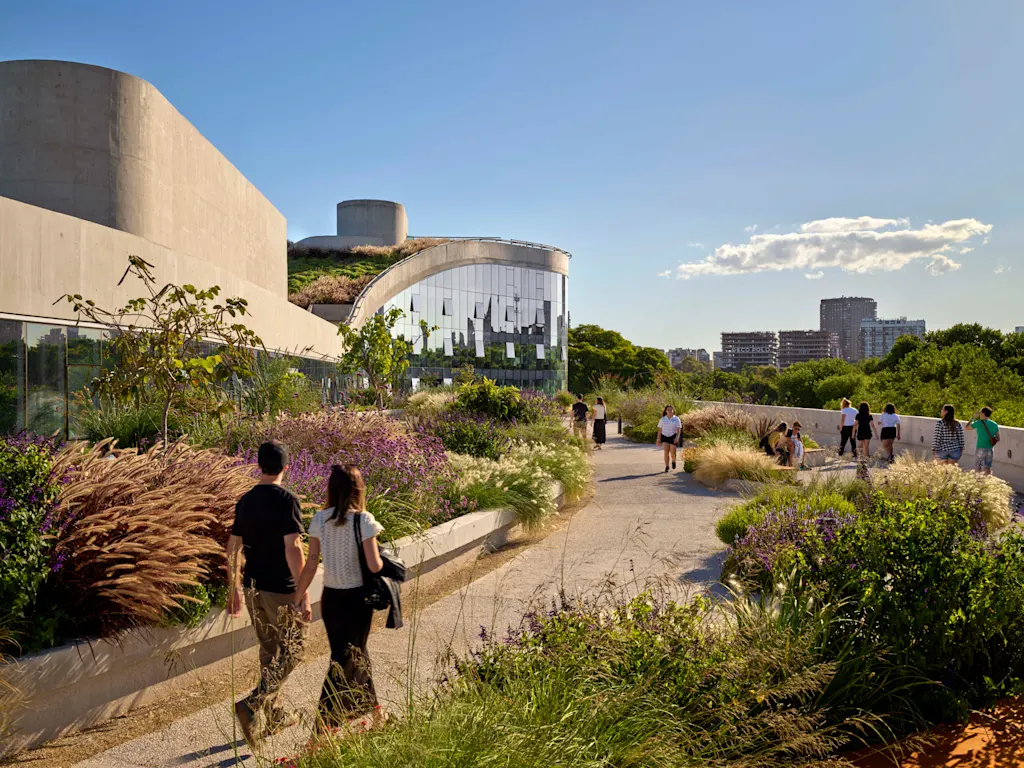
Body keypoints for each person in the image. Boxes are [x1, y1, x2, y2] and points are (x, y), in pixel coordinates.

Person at [227, 441, 309, 746]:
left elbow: (232, 547)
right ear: (286, 467)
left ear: (259, 466)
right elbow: (293, 547)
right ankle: (252, 704)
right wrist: (302, 592)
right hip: (281, 590)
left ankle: (274, 715)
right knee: (294, 650)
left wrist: (234, 588)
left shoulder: (246, 500)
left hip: (253, 589)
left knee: (270, 650)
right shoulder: (288, 500)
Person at [294, 466, 385, 733]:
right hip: (358, 599)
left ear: (331, 490)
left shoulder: (320, 520)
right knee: (347, 657)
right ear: (359, 489)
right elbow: (374, 565)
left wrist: (298, 596)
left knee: (353, 655)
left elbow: (311, 563)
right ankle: (324, 727)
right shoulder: (364, 520)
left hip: (331, 599)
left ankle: (377, 715)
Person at [966, 407, 1000, 475]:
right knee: (987, 467)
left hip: (980, 448)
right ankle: (986, 480)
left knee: (978, 467)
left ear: (983, 413)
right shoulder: (994, 424)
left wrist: (973, 417)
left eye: (980, 413)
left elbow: (967, 427)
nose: (979, 414)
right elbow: (998, 438)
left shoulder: (979, 423)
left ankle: (978, 481)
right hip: (990, 449)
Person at [656, 405, 682, 472]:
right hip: (664, 437)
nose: (670, 411)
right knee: (666, 452)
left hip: (673, 437)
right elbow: (660, 430)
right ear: (666, 411)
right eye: (668, 410)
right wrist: (658, 439)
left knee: (673, 453)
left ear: (673, 411)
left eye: (671, 410)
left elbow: (678, 429)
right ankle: (667, 466)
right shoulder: (662, 419)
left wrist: (677, 437)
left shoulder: (676, 419)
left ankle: (673, 461)